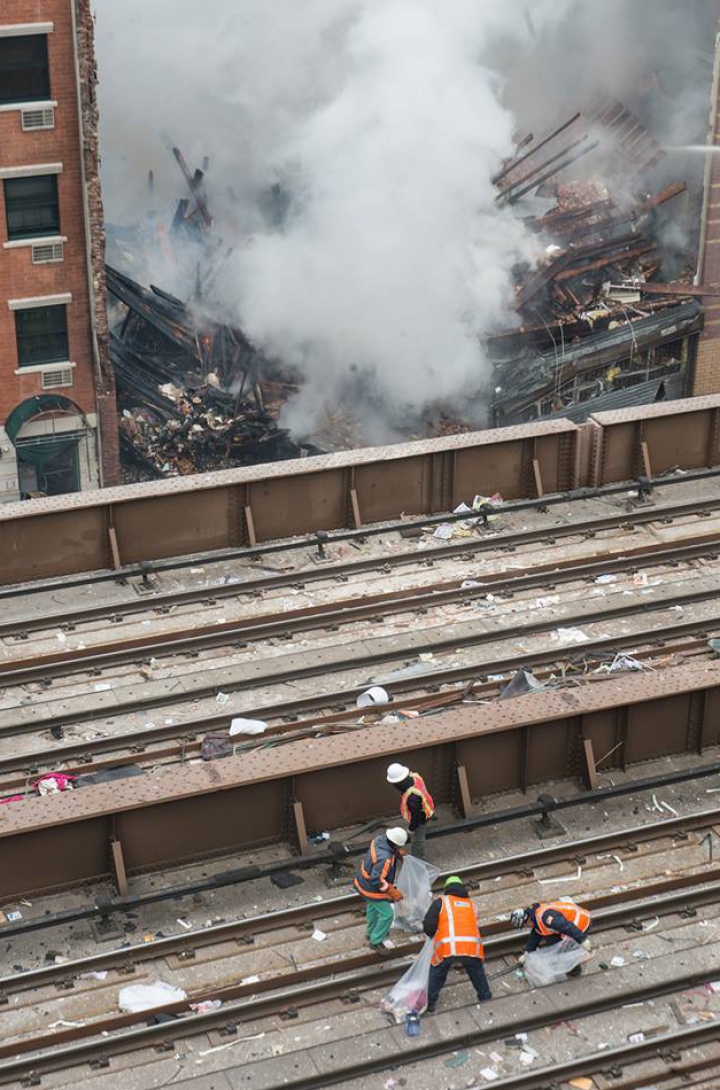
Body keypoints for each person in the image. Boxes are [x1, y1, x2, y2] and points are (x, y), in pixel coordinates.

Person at [423, 874, 492, 1012]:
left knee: (438, 973)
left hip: (448, 947)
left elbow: (429, 926)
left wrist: (432, 935)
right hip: (471, 947)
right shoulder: (472, 905)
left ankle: (430, 1003)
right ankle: (486, 998)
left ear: (447, 889)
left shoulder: (441, 902)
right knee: (476, 972)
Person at [353, 827, 407, 951]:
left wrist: (396, 854)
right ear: (395, 844)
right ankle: (376, 941)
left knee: (373, 908)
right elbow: (376, 880)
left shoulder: (378, 840)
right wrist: (392, 891)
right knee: (388, 914)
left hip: (362, 881)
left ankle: (371, 931)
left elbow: (379, 856)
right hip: (370, 888)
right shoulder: (385, 859)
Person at [511, 899, 592, 978]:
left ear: (526, 920)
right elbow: (535, 936)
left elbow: (566, 926)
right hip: (572, 924)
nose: (526, 927)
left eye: (524, 925)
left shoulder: (546, 917)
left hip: (581, 922)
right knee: (551, 940)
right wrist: (527, 953)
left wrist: (582, 940)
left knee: (564, 949)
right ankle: (568, 962)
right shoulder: (536, 918)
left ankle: (574, 971)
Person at [386, 762, 435, 860]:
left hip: (422, 818)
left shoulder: (412, 798)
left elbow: (416, 817)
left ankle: (419, 860)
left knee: (418, 841)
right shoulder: (415, 776)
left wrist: (411, 829)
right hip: (428, 807)